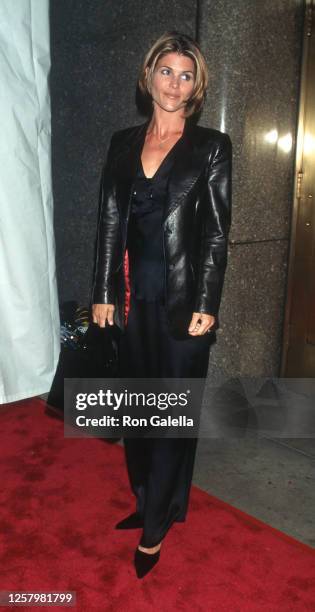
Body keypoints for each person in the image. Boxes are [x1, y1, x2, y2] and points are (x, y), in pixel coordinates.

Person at [91, 31, 232, 578]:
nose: (175, 82)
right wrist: (103, 292)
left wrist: (207, 300)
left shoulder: (211, 146)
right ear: (148, 75)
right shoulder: (122, 142)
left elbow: (217, 234)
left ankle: (156, 527)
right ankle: (153, 498)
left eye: (186, 74)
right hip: (130, 299)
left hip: (181, 302)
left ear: (196, 87)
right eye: (166, 70)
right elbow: (107, 223)